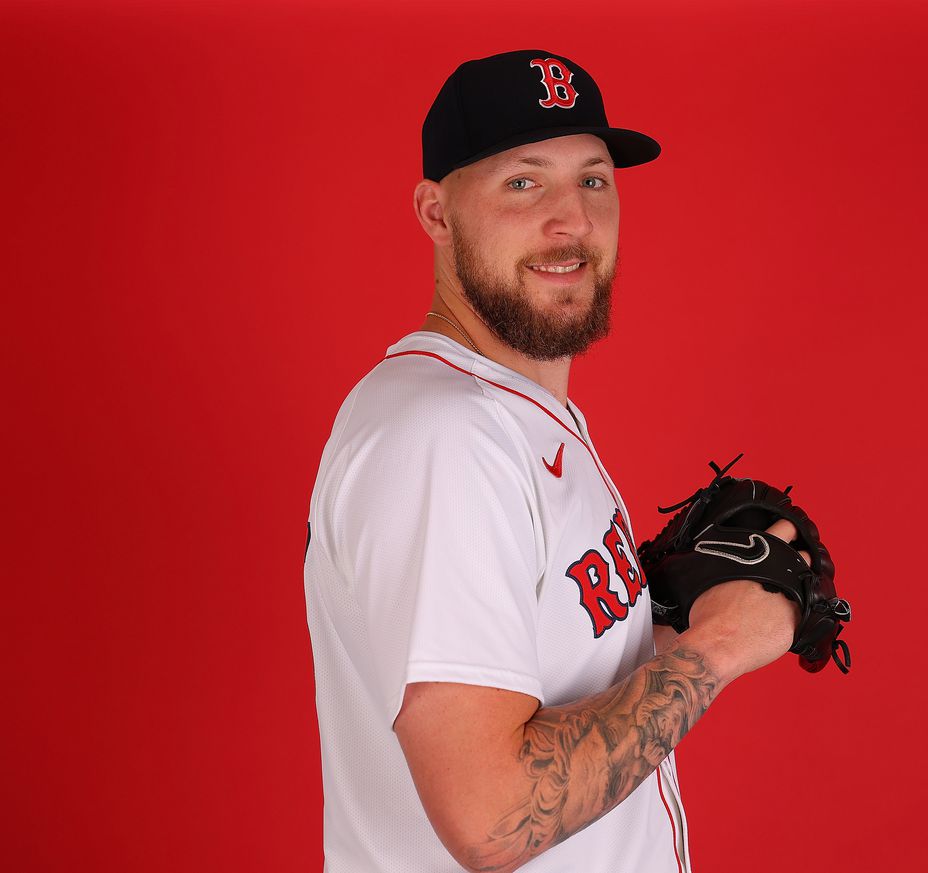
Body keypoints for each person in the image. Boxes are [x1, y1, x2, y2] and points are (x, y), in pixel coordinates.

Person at [303, 49, 806, 873]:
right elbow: (492, 817)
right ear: (436, 212)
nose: (571, 220)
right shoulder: (447, 436)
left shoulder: (507, 412)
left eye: (594, 180)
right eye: (523, 183)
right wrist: (713, 647)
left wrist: (660, 624)